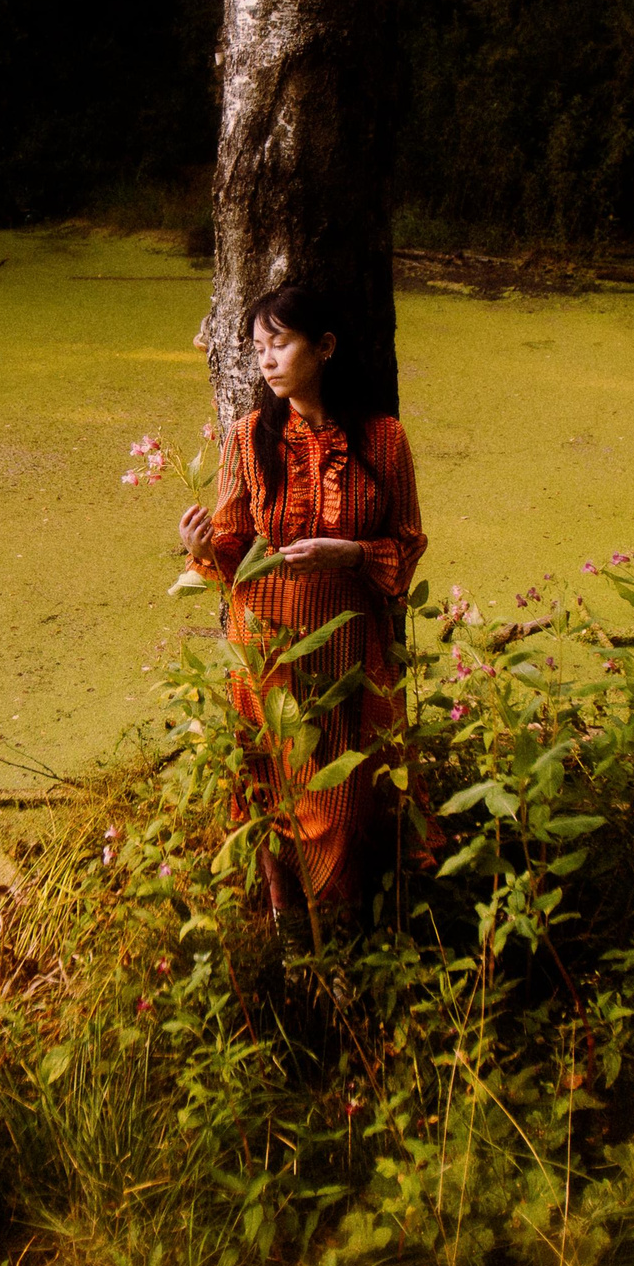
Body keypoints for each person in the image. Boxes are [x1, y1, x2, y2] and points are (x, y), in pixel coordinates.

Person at [179, 283, 428, 947]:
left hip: (344, 663)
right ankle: (290, 940)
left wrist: (349, 554)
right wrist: (203, 547)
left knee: (341, 810)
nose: (266, 361)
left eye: (280, 343)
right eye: (258, 348)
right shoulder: (250, 438)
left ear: (324, 348)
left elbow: (406, 545)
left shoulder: (383, 441)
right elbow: (234, 551)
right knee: (268, 800)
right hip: (262, 657)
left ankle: (342, 951)